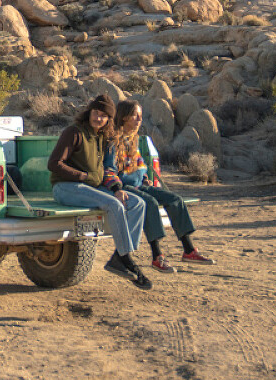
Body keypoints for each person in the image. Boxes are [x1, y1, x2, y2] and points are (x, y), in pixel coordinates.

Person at [47, 94, 152, 290]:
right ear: (89, 112)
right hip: (66, 187)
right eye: (96, 113)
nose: (98, 118)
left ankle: (120, 257)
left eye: (104, 116)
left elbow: (109, 167)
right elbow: (54, 164)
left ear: (108, 120)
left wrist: (116, 188)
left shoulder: (101, 137)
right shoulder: (74, 132)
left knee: (138, 204)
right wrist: (82, 176)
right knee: (113, 205)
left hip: (91, 187)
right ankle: (125, 259)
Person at [107, 99, 212, 274]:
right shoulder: (113, 141)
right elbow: (109, 169)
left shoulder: (134, 139)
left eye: (140, 116)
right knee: (150, 203)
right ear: (124, 117)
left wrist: (146, 177)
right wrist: (116, 188)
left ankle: (189, 250)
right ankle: (157, 256)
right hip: (124, 188)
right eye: (135, 115)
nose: (139, 120)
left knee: (175, 200)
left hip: (140, 185)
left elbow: (138, 164)